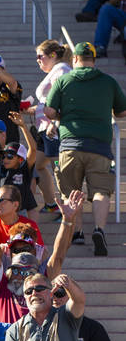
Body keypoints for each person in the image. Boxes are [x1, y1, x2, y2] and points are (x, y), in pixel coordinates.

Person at [43, 42, 126, 257]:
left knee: (72, 191)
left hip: (70, 144)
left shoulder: (63, 80)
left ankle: (77, 231)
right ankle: (99, 230)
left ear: (74, 60)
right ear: (94, 59)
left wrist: (60, 115)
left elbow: (50, 111)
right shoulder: (108, 81)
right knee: (100, 191)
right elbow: (122, 111)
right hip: (99, 145)